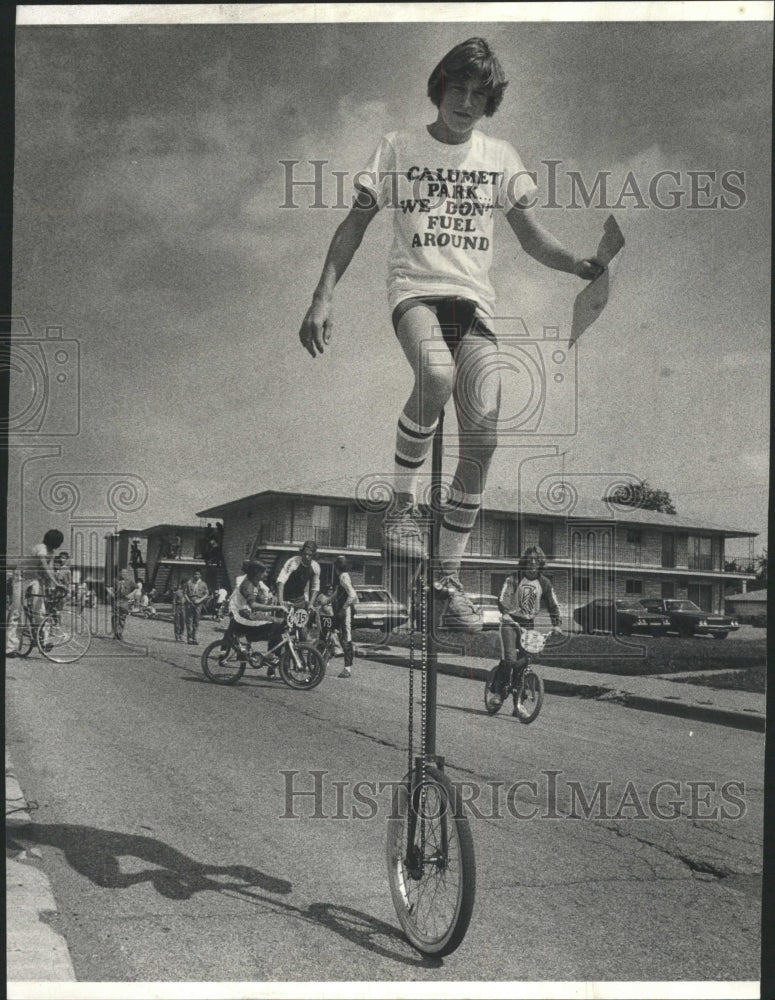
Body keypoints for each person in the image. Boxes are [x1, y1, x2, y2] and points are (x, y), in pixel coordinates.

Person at [297, 37, 604, 631]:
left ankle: (446, 577)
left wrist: (577, 265)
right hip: (416, 291)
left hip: (472, 303)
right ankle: (399, 506)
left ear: (490, 103)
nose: (466, 102)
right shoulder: (397, 146)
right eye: (458, 89)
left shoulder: (499, 155)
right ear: (439, 88)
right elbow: (354, 225)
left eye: (480, 95)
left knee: (484, 438)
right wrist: (323, 295)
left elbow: (533, 237)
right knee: (434, 374)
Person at [491, 545, 562, 716]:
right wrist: (506, 612)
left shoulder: (544, 583)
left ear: (540, 563)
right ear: (524, 561)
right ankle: (499, 693)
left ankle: (519, 701)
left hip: (528, 624)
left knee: (524, 661)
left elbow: (553, 603)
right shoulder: (514, 578)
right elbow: (504, 597)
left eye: (536, 560)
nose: (532, 562)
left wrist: (557, 624)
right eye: (529, 559)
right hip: (510, 622)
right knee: (510, 657)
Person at [5, 529, 66, 655]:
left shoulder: (51, 553)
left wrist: (50, 587)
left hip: (34, 578)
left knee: (40, 610)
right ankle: (10, 647)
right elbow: (44, 566)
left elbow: (45, 571)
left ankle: (44, 641)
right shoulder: (41, 548)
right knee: (17, 611)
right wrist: (56, 582)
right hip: (21, 577)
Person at [222, 560, 284, 669]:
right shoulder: (247, 584)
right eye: (264, 572)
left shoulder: (256, 583)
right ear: (257, 573)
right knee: (273, 623)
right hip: (240, 614)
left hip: (246, 612)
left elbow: (261, 600)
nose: (265, 574)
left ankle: (249, 644)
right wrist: (276, 607)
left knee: (276, 623)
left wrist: (283, 603)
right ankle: (245, 642)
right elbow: (254, 605)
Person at [329, 555, 359, 678]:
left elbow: (352, 595)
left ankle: (347, 669)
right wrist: (324, 602)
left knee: (346, 638)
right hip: (341, 611)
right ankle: (325, 660)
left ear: (337, 567)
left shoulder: (343, 576)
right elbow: (336, 595)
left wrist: (344, 608)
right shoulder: (341, 577)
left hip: (345, 612)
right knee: (332, 632)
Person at [183, 570, 210, 645]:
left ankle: (194, 637)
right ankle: (189, 638)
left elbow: (206, 594)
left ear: (200, 575)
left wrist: (200, 600)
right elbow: (185, 593)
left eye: (198, 574)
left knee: (196, 621)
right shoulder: (189, 583)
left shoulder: (203, 584)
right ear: (193, 575)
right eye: (195, 574)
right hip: (190, 602)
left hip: (199, 602)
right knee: (189, 620)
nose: (196, 576)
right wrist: (188, 601)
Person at [107, 568, 134, 641]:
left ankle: (120, 633)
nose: (123, 574)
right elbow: (108, 587)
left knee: (122, 617)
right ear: (119, 573)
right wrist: (111, 593)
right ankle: (115, 633)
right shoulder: (115, 580)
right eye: (122, 573)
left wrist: (131, 595)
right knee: (115, 616)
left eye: (125, 573)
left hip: (125, 601)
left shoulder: (130, 582)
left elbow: (135, 589)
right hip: (116, 600)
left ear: (127, 573)